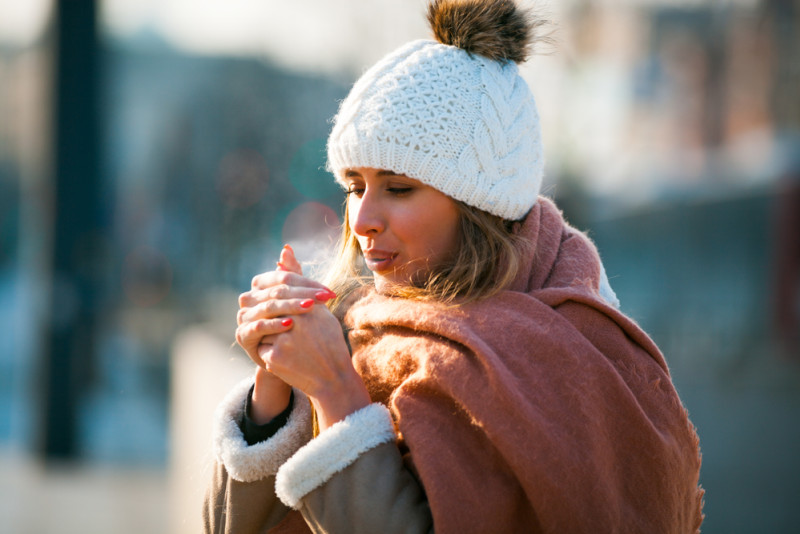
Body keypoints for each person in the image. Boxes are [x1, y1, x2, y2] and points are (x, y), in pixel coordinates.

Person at [204, 1, 704, 532]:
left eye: (398, 188)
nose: (363, 219)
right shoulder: (353, 326)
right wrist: (274, 390)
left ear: (476, 207)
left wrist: (335, 393)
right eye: (355, 186)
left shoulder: (569, 354)